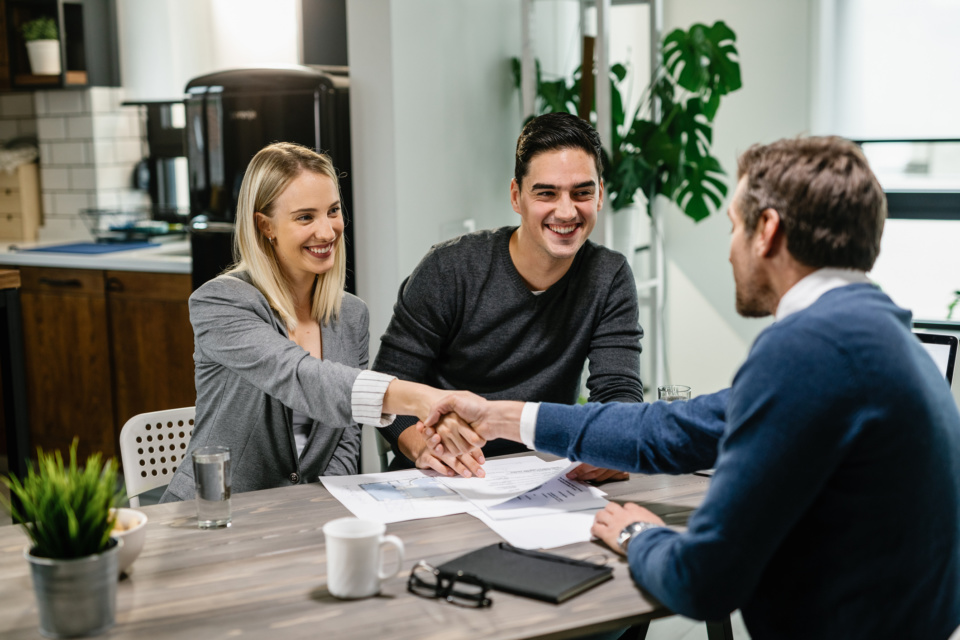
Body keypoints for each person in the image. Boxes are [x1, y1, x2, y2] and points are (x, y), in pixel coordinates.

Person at [424, 136, 960, 639]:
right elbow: (676, 428)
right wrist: (503, 417)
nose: (730, 251)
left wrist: (639, 534)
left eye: (733, 225)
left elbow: (703, 581)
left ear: (767, 229)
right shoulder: (881, 334)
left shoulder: (807, 350)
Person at [160, 143, 465, 502]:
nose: (327, 231)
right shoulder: (222, 301)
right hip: (217, 514)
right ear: (265, 226)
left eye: (333, 211)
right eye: (305, 217)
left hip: (305, 518)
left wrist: (317, 511)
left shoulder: (351, 315)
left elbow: (345, 441)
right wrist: (418, 397)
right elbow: (299, 376)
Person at [373, 112, 644, 479]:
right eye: (546, 193)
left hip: (546, 479)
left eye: (582, 192)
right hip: (440, 478)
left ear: (599, 196)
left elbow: (618, 390)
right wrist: (425, 450)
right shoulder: (449, 268)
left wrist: (609, 446)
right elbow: (386, 390)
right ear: (517, 197)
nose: (566, 211)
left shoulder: (608, 276)